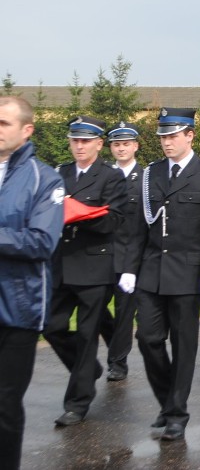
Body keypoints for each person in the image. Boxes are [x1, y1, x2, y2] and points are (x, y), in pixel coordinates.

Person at [119, 108, 200, 440]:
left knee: (183, 344)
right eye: (163, 137)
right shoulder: (151, 174)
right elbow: (138, 227)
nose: (166, 142)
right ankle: (168, 402)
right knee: (148, 339)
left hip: (189, 273)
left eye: (172, 136)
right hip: (152, 271)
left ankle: (177, 412)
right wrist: (129, 267)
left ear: (190, 135)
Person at [45, 115, 127, 427]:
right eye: (74, 140)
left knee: (86, 332)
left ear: (98, 143)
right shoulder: (59, 173)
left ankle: (77, 403)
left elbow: (114, 221)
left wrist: (78, 212)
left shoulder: (110, 177)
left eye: (85, 140)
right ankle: (88, 370)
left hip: (95, 265)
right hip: (62, 264)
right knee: (52, 327)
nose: (79, 146)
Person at [0, 96, 64, 469]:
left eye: (4, 124)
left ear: (27, 130)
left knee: (5, 404)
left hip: (17, 308)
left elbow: (42, 241)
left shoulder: (44, 178)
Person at [104, 121, 143, 382]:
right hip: (102, 253)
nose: (121, 148)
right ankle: (116, 343)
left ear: (135, 146)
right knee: (94, 308)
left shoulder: (146, 179)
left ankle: (118, 362)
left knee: (124, 311)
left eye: (126, 144)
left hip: (131, 255)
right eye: (116, 144)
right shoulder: (103, 175)